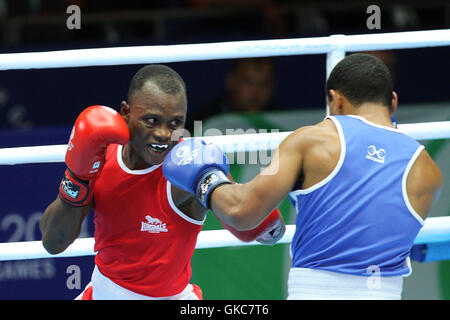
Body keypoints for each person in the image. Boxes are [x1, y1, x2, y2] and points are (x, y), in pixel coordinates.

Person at [163, 53, 444, 299]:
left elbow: (240, 211)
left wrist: (205, 178)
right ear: (393, 102)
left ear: (335, 100)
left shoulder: (311, 141)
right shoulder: (428, 171)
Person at [39, 64, 285, 300]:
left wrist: (262, 220)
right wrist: (78, 176)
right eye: (151, 121)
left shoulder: (190, 166)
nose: (164, 134)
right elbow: (53, 242)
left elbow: (255, 221)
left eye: (175, 123)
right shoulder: (104, 153)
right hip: (103, 291)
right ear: (126, 112)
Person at [187, 57, 278, 133]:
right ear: (231, 81)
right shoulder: (205, 120)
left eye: (263, 84)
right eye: (247, 82)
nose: (256, 92)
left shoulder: (282, 121)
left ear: (272, 86)